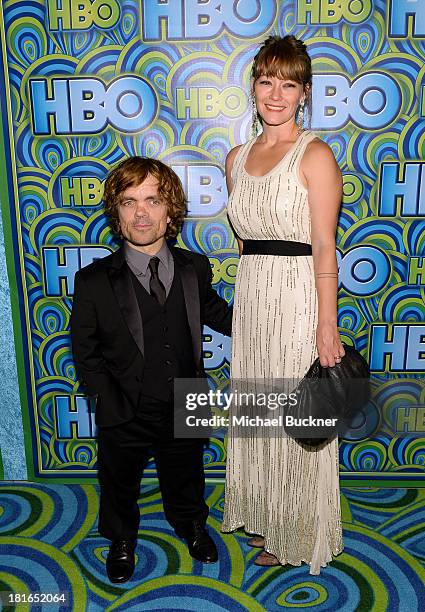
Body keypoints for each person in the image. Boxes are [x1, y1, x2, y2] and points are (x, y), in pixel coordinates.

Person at [70, 157, 232, 583]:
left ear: (171, 209)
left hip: (187, 398)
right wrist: (107, 398)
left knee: (188, 474)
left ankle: (191, 524)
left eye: (153, 200)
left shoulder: (195, 268)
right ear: (116, 213)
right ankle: (121, 539)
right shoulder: (93, 281)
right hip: (125, 406)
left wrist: (282, 317)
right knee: (119, 481)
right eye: (128, 202)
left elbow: (223, 316)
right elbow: (85, 353)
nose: (141, 212)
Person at [221, 35, 344, 574]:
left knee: (297, 422)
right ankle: (273, 517)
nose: (276, 93)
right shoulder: (235, 158)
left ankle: (302, 533)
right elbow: (246, 244)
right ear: (253, 87)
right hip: (254, 300)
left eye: (288, 84)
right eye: (267, 80)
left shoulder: (315, 155)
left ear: (304, 93)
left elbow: (323, 247)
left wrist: (326, 325)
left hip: (298, 300)